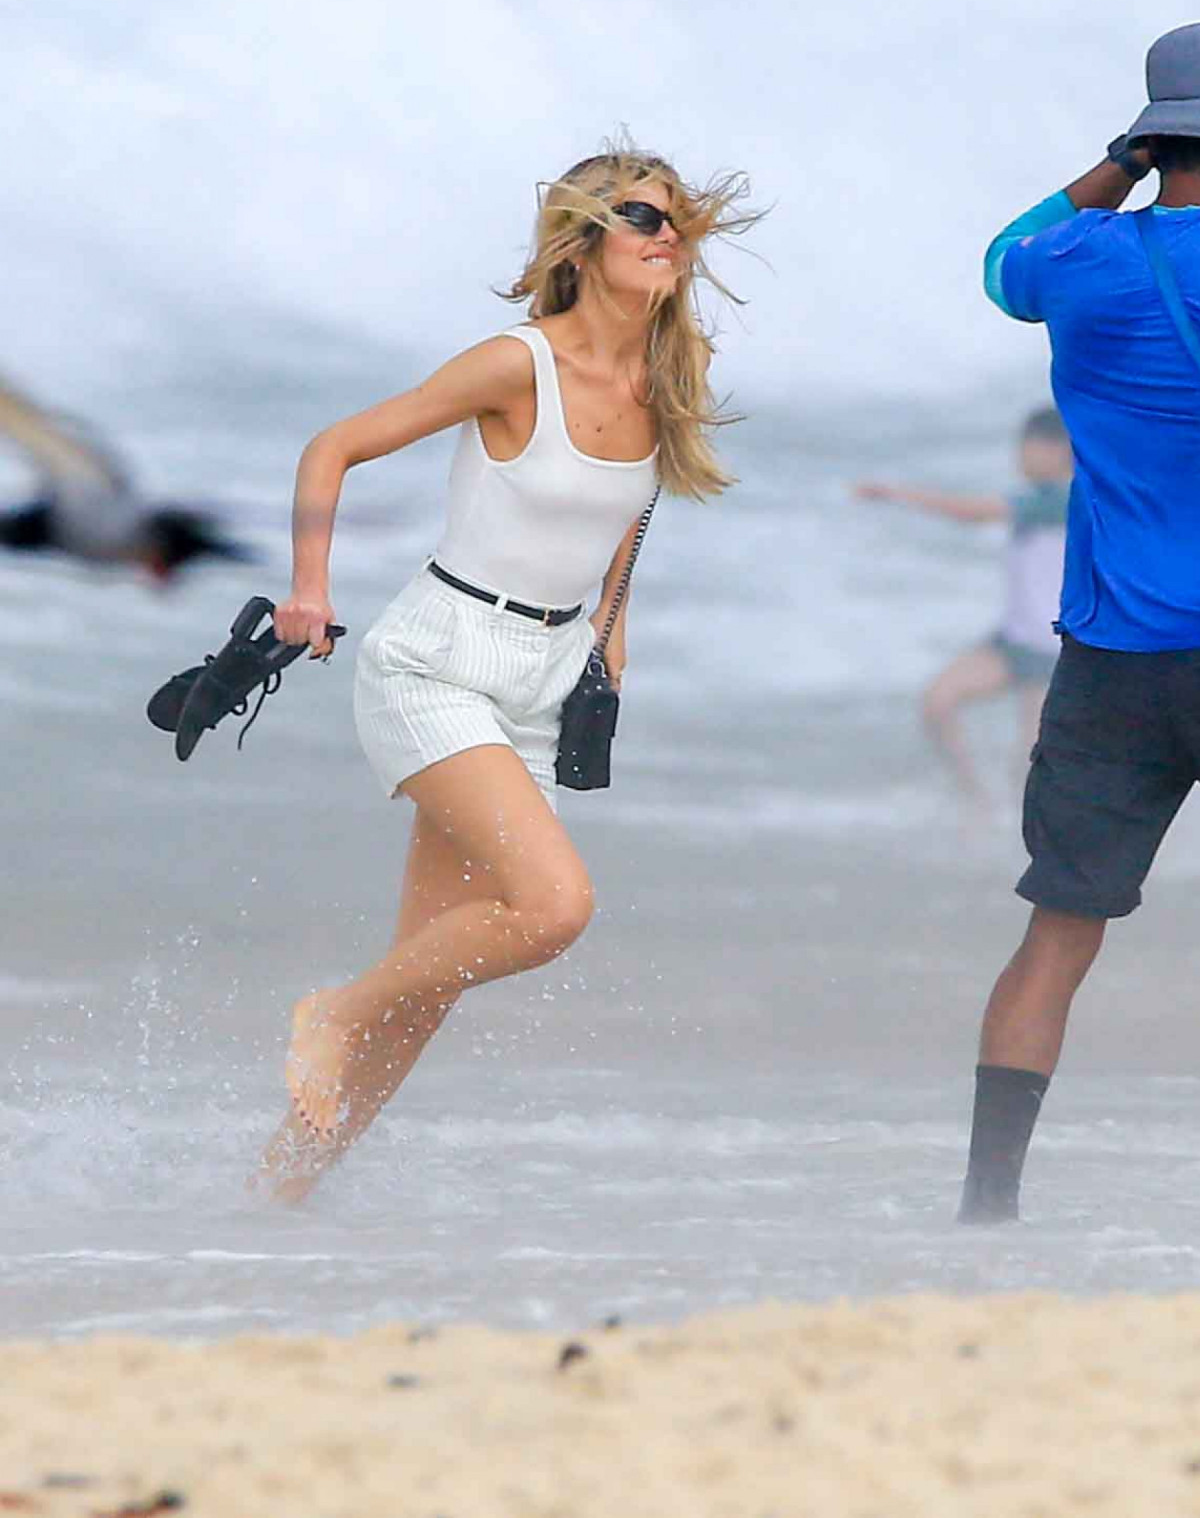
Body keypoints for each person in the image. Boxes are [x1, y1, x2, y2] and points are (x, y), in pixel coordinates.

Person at [256, 145, 757, 1202]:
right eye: (641, 217)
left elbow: (620, 513)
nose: (668, 237)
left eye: (677, 223)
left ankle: (278, 1195)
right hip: (438, 662)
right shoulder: (513, 363)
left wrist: (612, 638)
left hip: (544, 672)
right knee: (554, 905)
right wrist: (310, 588)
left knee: (426, 986)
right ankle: (330, 1012)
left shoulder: (668, 374)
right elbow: (332, 445)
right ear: (582, 241)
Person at [959, 20, 1200, 1224]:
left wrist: (1122, 161)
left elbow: (1006, 258)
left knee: (1059, 939)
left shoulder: (1088, 262)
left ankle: (987, 1211)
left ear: (1160, 138)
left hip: (1119, 661)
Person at [856, 410, 1072, 807]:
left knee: (1029, 762)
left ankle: (1024, 848)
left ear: (1059, 450)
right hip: (1014, 640)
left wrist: (897, 494)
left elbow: (970, 512)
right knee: (938, 701)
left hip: (1052, 651)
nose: (1020, 457)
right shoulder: (1043, 499)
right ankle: (976, 799)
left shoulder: (1064, 500)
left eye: (1027, 447)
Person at [0, 376, 248, 581]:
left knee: (224, 549)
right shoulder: (70, 528)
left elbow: (28, 425)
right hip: (146, 533)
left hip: (151, 529)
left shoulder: (71, 493)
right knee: (229, 551)